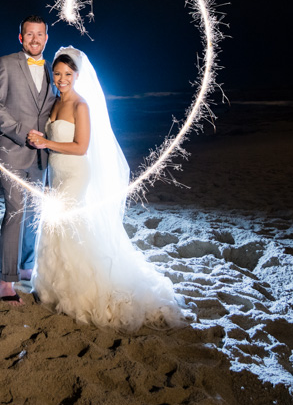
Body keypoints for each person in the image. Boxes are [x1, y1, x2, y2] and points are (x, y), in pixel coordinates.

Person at [27, 47, 188, 332]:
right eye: (57, 74)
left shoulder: (81, 105)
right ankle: (52, 289)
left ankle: (81, 293)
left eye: (67, 74)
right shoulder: (55, 103)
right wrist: (41, 138)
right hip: (56, 173)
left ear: (76, 76)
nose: (62, 79)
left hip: (76, 174)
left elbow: (81, 147)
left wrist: (47, 143)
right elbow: (53, 139)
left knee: (67, 226)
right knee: (54, 228)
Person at [0, 15, 57, 305]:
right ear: (21, 38)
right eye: (29, 34)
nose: (35, 39)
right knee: (15, 213)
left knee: (34, 214)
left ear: (46, 38)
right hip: (12, 151)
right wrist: (22, 133)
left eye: (40, 35)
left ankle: (27, 269)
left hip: (42, 157)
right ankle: (6, 283)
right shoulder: (6, 63)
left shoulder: (52, 69)